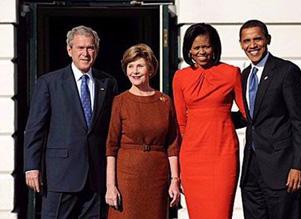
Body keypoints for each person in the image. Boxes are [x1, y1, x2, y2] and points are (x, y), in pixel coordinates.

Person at [24, 25, 118, 218]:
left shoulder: (107, 83)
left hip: (95, 176)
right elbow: (35, 128)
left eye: (90, 48)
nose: (85, 53)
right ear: (69, 50)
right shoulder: (49, 83)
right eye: (80, 48)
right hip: (60, 175)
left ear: (97, 51)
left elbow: (112, 130)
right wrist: (32, 166)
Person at [239, 19, 301, 219]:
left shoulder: (287, 71)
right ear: (241, 44)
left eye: (257, 39)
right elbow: (250, 117)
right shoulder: (244, 75)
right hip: (251, 170)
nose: (252, 45)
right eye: (246, 41)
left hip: (282, 169)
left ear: (267, 40)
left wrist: (298, 165)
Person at [172, 23, 246, 218]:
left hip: (223, 153)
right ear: (188, 50)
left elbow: (247, 113)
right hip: (192, 157)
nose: (202, 51)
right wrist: (177, 168)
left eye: (206, 46)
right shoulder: (180, 77)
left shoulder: (232, 73)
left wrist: (222, 120)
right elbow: (180, 123)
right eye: (196, 48)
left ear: (214, 47)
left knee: (221, 212)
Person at [105, 43, 180, 219]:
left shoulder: (164, 101)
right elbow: (111, 146)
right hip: (127, 177)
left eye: (140, 65)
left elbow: (172, 145)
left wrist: (175, 181)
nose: (135, 71)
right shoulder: (120, 101)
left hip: (157, 176)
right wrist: (110, 186)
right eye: (130, 66)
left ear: (151, 68)